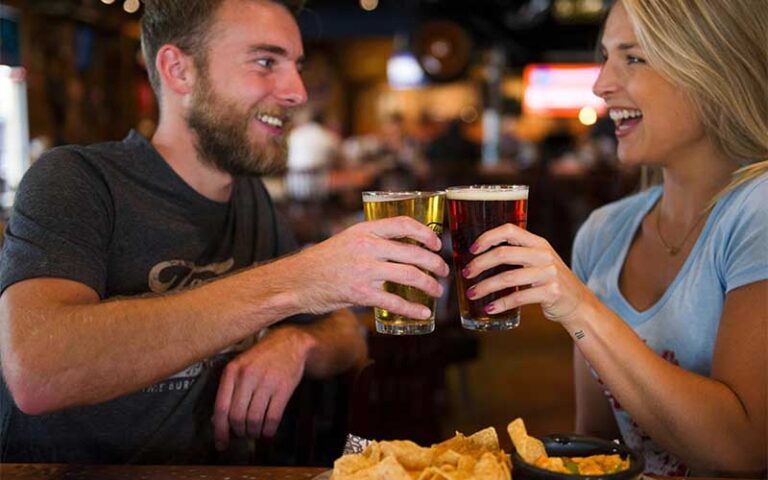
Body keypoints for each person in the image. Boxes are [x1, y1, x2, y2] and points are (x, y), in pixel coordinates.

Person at [0, 0, 449, 465]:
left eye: (295, 66)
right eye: (265, 62)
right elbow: (36, 371)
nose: (296, 91)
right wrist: (292, 282)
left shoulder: (249, 198)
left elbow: (345, 337)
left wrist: (298, 343)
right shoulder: (78, 181)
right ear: (179, 71)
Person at [461, 0, 766, 475]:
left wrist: (580, 306)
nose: (601, 84)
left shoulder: (759, 210)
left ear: (712, 66)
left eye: (634, 57)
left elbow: (744, 451)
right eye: (605, 56)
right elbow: (598, 450)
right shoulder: (604, 232)